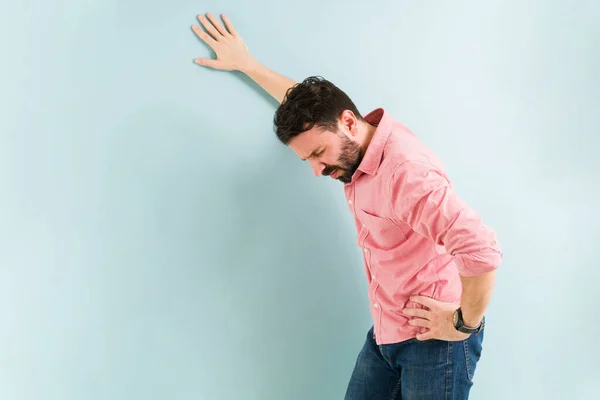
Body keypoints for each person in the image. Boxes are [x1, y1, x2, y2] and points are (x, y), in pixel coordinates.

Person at [191, 13, 502, 400]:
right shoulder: (351, 142)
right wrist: (247, 64)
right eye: (309, 160)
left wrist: (462, 324)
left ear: (349, 123)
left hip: (433, 343)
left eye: (319, 155)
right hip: (386, 331)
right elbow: (312, 117)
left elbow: (480, 249)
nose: (318, 170)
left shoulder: (406, 174)